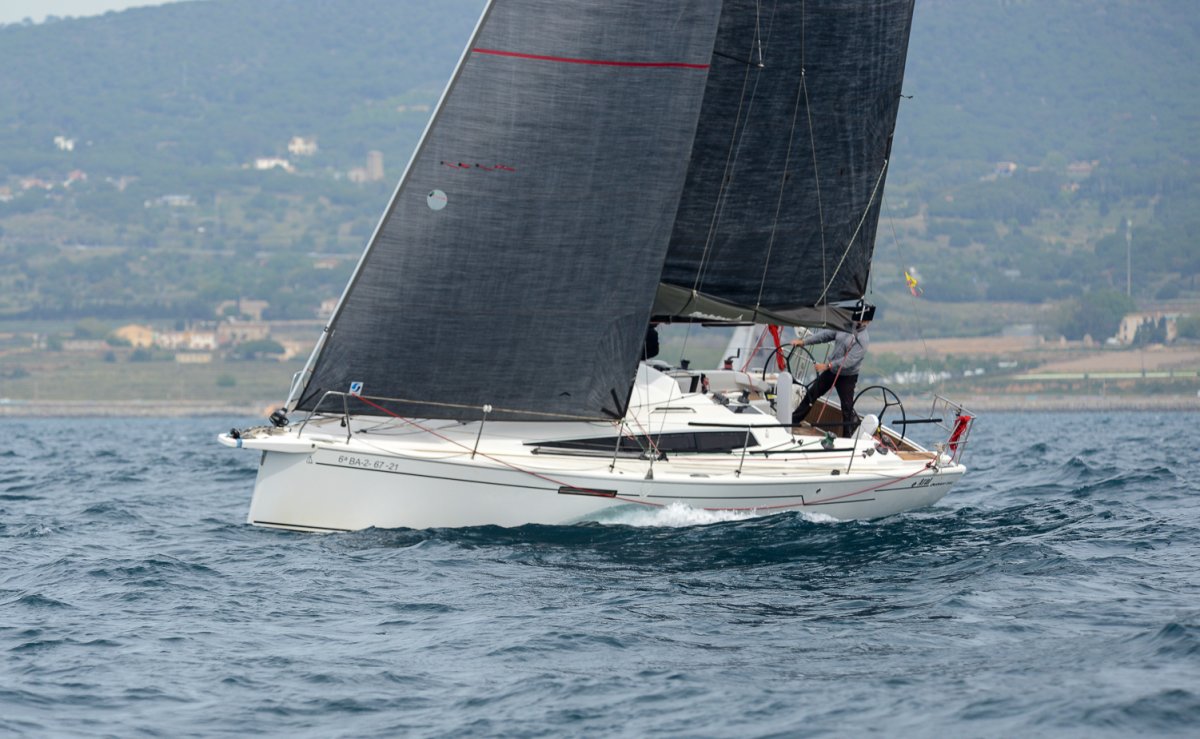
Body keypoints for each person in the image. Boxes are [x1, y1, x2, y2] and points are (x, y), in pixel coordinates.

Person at [789, 302, 874, 437]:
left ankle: (848, 437)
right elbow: (825, 335)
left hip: (847, 377)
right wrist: (804, 342)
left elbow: (849, 361)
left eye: (862, 319)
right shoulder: (845, 325)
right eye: (858, 317)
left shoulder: (863, 340)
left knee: (847, 408)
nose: (858, 320)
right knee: (812, 393)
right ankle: (793, 421)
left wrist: (827, 366)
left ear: (867, 321)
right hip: (832, 371)